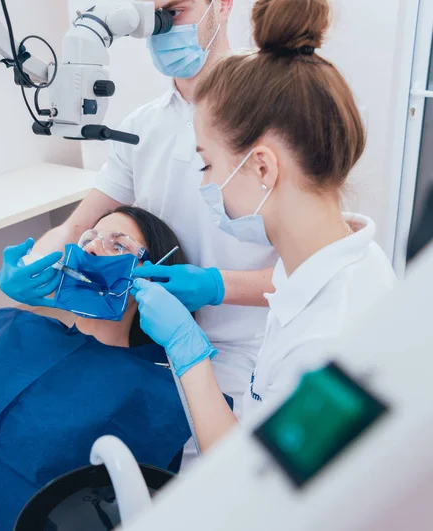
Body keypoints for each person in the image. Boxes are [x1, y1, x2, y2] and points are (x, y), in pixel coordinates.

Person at [0, 0, 277, 443]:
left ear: (221, 5)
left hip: (246, 355)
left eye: (175, 12)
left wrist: (216, 284)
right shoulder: (141, 127)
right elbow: (76, 227)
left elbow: (311, 270)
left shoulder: (274, 114)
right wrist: (32, 263)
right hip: (153, 345)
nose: (162, 29)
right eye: (152, 19)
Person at [131, 0, 397, 452]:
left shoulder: (326, 339)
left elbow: (252, 485)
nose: (207, 185)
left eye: (207, 165)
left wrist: (188, 352)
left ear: (261, 168)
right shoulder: (345, 261)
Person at [0, 207, 216, 531]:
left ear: (152, 280)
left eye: (118, 245)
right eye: (89, 239)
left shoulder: (154, 392)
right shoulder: (18, 331)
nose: (93, 247)